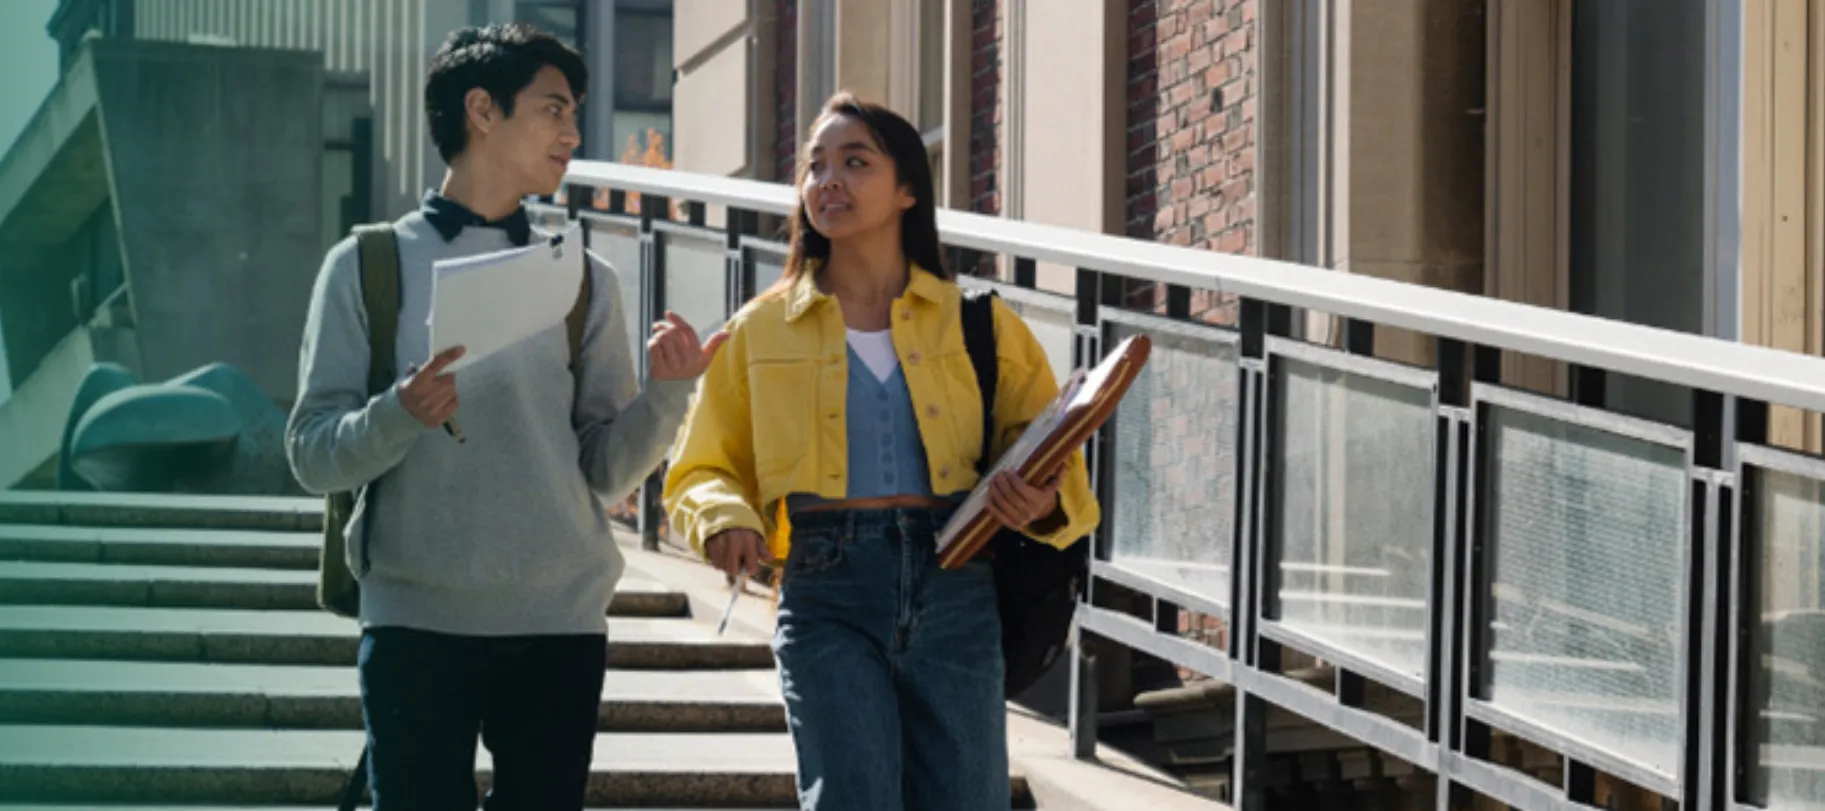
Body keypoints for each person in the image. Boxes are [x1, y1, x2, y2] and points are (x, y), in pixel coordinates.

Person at [285, 23, 719, 810]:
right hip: (416, 616)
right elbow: (312, 453)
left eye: (575, 112)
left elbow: (604, 470)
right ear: (481, 110)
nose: (573, 132)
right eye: (553, 108)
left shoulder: (585, 279)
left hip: (559, 621)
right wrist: (399, 413)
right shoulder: (365, 265)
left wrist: (666, 395)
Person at [663, 92, 1101, 811]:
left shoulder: (982, 325)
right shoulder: (760, 329)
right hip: (824, 589)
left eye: (854, 161)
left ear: (906, 191)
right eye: (815, 166)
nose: (827, 180)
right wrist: (722, 518)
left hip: (958, 585)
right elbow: (702, 464)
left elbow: (1058, 458)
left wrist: (1041, 501)